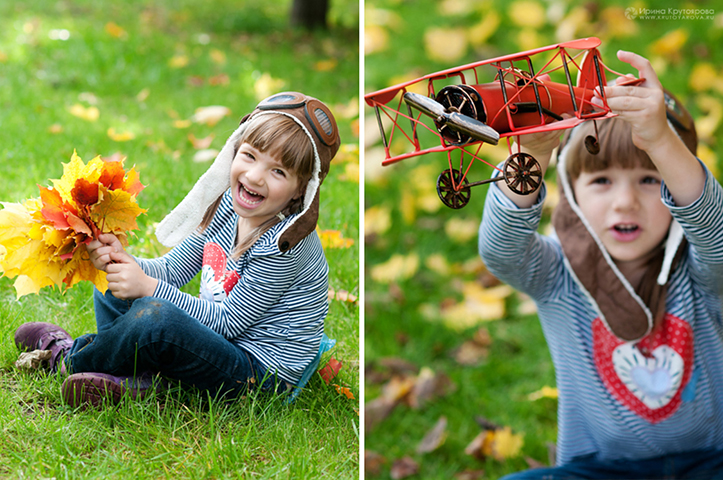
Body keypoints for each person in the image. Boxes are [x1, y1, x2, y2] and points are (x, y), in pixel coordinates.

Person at [479, 50, 723, 479]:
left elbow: (717, 237)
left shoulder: (701, 268)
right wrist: (531, 156)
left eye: (650, 179)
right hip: (601, 471)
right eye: (602, 180)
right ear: (571, 191)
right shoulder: (557, 273)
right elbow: (502, 251)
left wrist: (662, 141)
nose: (625, 202)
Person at [14, 92, 341, 407]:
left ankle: (67, 358)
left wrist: (147, 287)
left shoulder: (286, 246)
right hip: (220, 345)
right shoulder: (228, 205)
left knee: (158, 318)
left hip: (257, 376)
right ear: (234, 150)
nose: (255, 176)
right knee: (112, 281)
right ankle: (139, 378)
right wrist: (122, 261)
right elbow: (171, 270)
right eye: (250, 156)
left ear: (302, 190)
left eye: (278, 171)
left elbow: (227, 323)